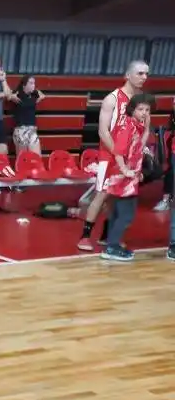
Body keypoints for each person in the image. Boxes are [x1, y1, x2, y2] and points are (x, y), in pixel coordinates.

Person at [78, 60, 150, 252]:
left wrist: (137, 151)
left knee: (117, 197)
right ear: (128, 75)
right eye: (140, 73)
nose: (144, 77)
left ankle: (106, 235)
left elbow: (145, 130)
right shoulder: (112, 98)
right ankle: (85, 236)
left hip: (129, 157)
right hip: (108, 154)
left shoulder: (143, 100)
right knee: (102, 194)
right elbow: (103, 132)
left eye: (146, 74)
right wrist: (120, 153)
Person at [100, 94, 152, 262]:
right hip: (123, 175)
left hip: (130, 174)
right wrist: (125, 170)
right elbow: (118, 151)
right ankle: (112, 247)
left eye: (147, 110)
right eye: (140, 109)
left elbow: (141, 143)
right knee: (126, 213)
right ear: (132, 109)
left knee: (118, 211)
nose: (144, 113)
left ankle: (111, 244)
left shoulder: (137, 125)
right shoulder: (127, 126)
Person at [8, 75, 45, 155]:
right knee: (23, 159)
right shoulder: (17, 94)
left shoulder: (34, 95)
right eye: (31, 83)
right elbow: (9, 96)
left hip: (32, 130)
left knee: (36, 157)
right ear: (24, 85)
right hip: (21, 130)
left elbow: (43, 96)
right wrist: (11, 96)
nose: (33, 85)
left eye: (34, 83)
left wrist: (37, 94)